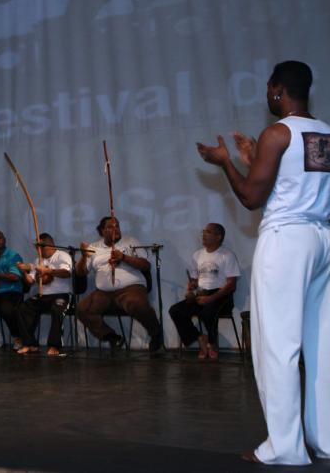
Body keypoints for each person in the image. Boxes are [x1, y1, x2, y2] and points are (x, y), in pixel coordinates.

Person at [197, 60, 329, 465]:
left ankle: (284, 448)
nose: (267, 95)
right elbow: (293, 184)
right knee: (321, 345)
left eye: (268, 88)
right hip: (323, 238)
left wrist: (226, 164)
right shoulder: (324, 131)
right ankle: (324, 438)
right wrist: (256, 157)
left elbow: (252, 198)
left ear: (277, 90)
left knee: (277, 345)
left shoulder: (278, 132)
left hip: (287, 240)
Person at [75, 216, 162, 351]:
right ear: (102, 231)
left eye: (117, 226)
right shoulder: (94, 247)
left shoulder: (131, 242)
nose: (115, 229)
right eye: (110, 227)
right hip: (103, 293)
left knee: (137, 303)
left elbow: (146, 265)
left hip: (130, 289)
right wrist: (84, 256)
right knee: (82, 308)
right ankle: (111, 337)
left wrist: (124, 257)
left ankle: (156, 334)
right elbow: (80, 273)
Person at [168, 223, 240, 361]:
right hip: (202, 294)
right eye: (204, 231)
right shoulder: (197, 255)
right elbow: (195, 281)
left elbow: (231, 285)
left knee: (207, 312)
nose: (204, 234)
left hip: (221, 295)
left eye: (208, 232)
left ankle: (212, 343)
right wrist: (191, 286)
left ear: (218, 237)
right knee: (175, 310)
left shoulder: (227, 255)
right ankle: (200, 338)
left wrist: (211, 298)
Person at [16, 233, 73, 356]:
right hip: (44, 296)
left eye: (39, 246)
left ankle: (54, 345)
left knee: (57, 310)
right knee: (24, 308)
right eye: (36, 247)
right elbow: (30, 281)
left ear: (47, 245)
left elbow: (66, 273)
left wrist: (48, 271)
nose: (37, 249)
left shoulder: (62, 256)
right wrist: (24, 272)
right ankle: (29, 343)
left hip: (61, 294)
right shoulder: (38, 260)